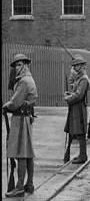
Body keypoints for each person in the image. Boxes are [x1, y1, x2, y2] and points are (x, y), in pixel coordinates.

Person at [3, 54, 38, 197]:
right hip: (26, 118)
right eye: (15, 65)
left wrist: (6, 106)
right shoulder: (28, 79)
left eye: (19, 65)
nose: (17, 68)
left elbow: (15, 102)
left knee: (21, 152)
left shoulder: (24, 81)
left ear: (25, 65)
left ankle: (19, 187)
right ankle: (29, 183)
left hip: (21, 119)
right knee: (27, 152)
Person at [64, 55, 90, 164]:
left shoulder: (83, 79)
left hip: (79, 107)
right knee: (77, 130)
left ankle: (83, 155)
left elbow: (79, 95)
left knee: (81, 132)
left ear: (81, 66)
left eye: (76, 66)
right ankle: (82, 154)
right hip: (76, 107)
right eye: (74, 66)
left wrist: (68, 98)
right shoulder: (79, 78)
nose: (74, 68)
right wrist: (69, 94)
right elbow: (76, 92)